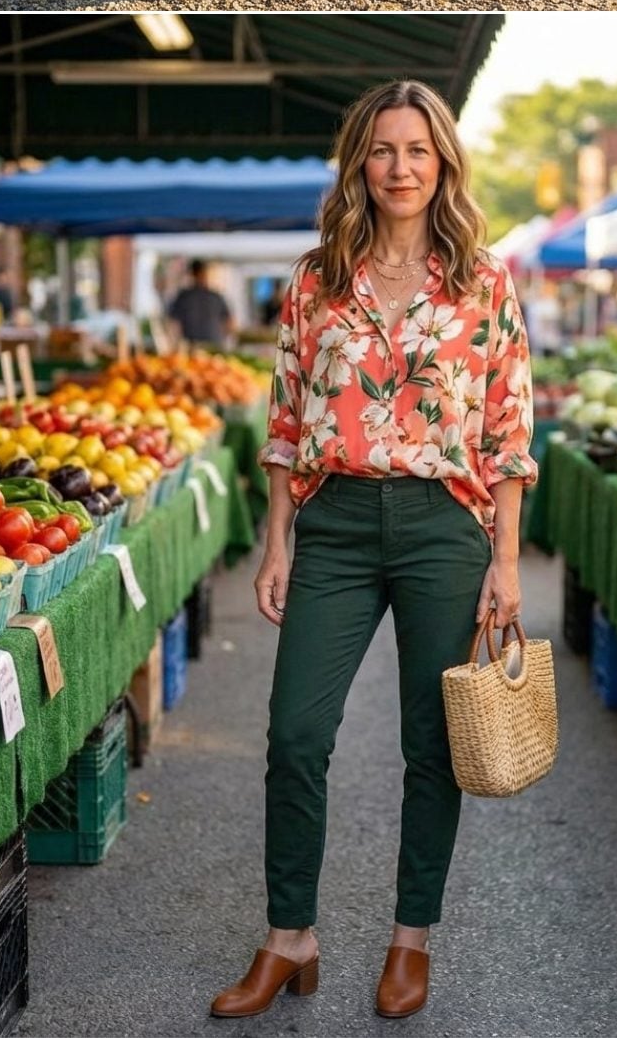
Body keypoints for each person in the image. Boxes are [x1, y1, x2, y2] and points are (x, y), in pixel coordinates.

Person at [210, 80, 537, 1020]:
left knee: (432, 742)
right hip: (337, 523)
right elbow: (285, 421)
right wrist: (277, 541)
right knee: (296, 732)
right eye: (383, 149)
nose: (400, 167)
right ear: (360, 161)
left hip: (444, 527)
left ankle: (410, 937)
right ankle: (290, 938)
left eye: (417, 150)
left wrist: (507, 560)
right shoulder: (316, 279)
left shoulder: (485, 280)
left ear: (443, 163)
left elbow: (508, 430)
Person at [165, 261, 233, 347]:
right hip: (193, 346)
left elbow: (229, 322)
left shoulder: (215, 296)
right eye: (202, 273)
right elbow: (173, 323)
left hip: (213, 345)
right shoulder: (184, 296)